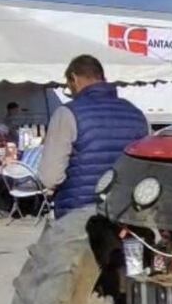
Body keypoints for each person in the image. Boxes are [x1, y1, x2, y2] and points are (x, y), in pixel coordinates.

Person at [39, 55, 149, 216]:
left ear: (74, 79)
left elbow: (50, 177)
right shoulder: (137, 114)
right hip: (126, 214)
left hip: (80, 214)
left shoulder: (67, 113)